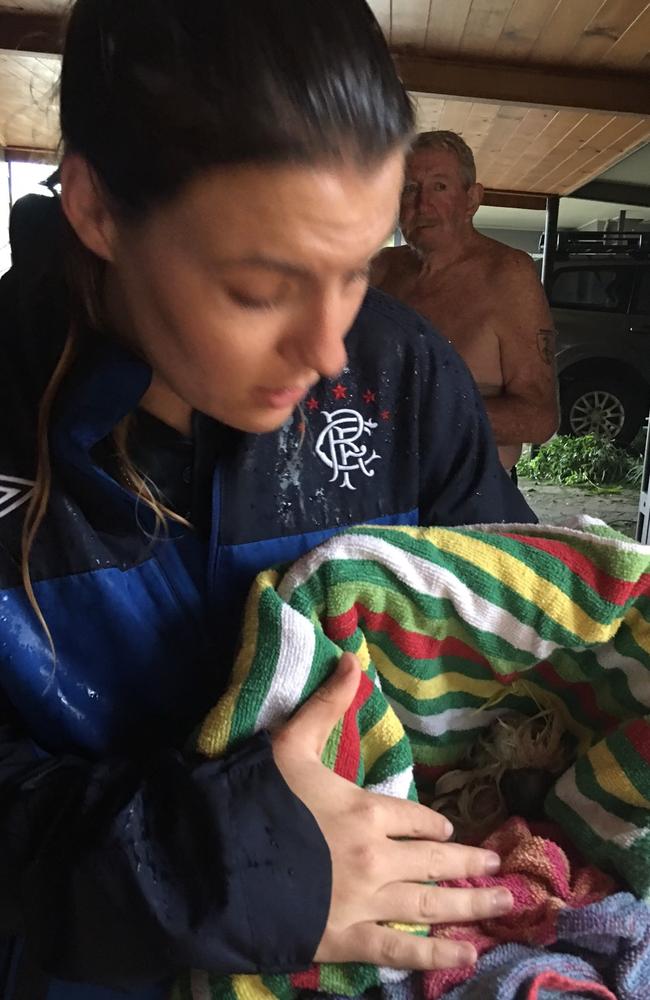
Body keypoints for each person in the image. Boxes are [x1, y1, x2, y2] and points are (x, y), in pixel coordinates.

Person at [0, 4, 535, 999]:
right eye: (259, 287)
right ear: (97, 209)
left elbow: (508, 652)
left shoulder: (398, 374)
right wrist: (223, 867)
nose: (329, 351)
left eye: (354, 271)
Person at [372, 131, 559, 475]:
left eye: (439, 187)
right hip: (378, 486)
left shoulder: (509, 273)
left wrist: (416, 416)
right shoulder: (381, 269)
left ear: (471, 199)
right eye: (410, 189)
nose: (422, 204)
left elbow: (539, 417)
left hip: (468, 495)